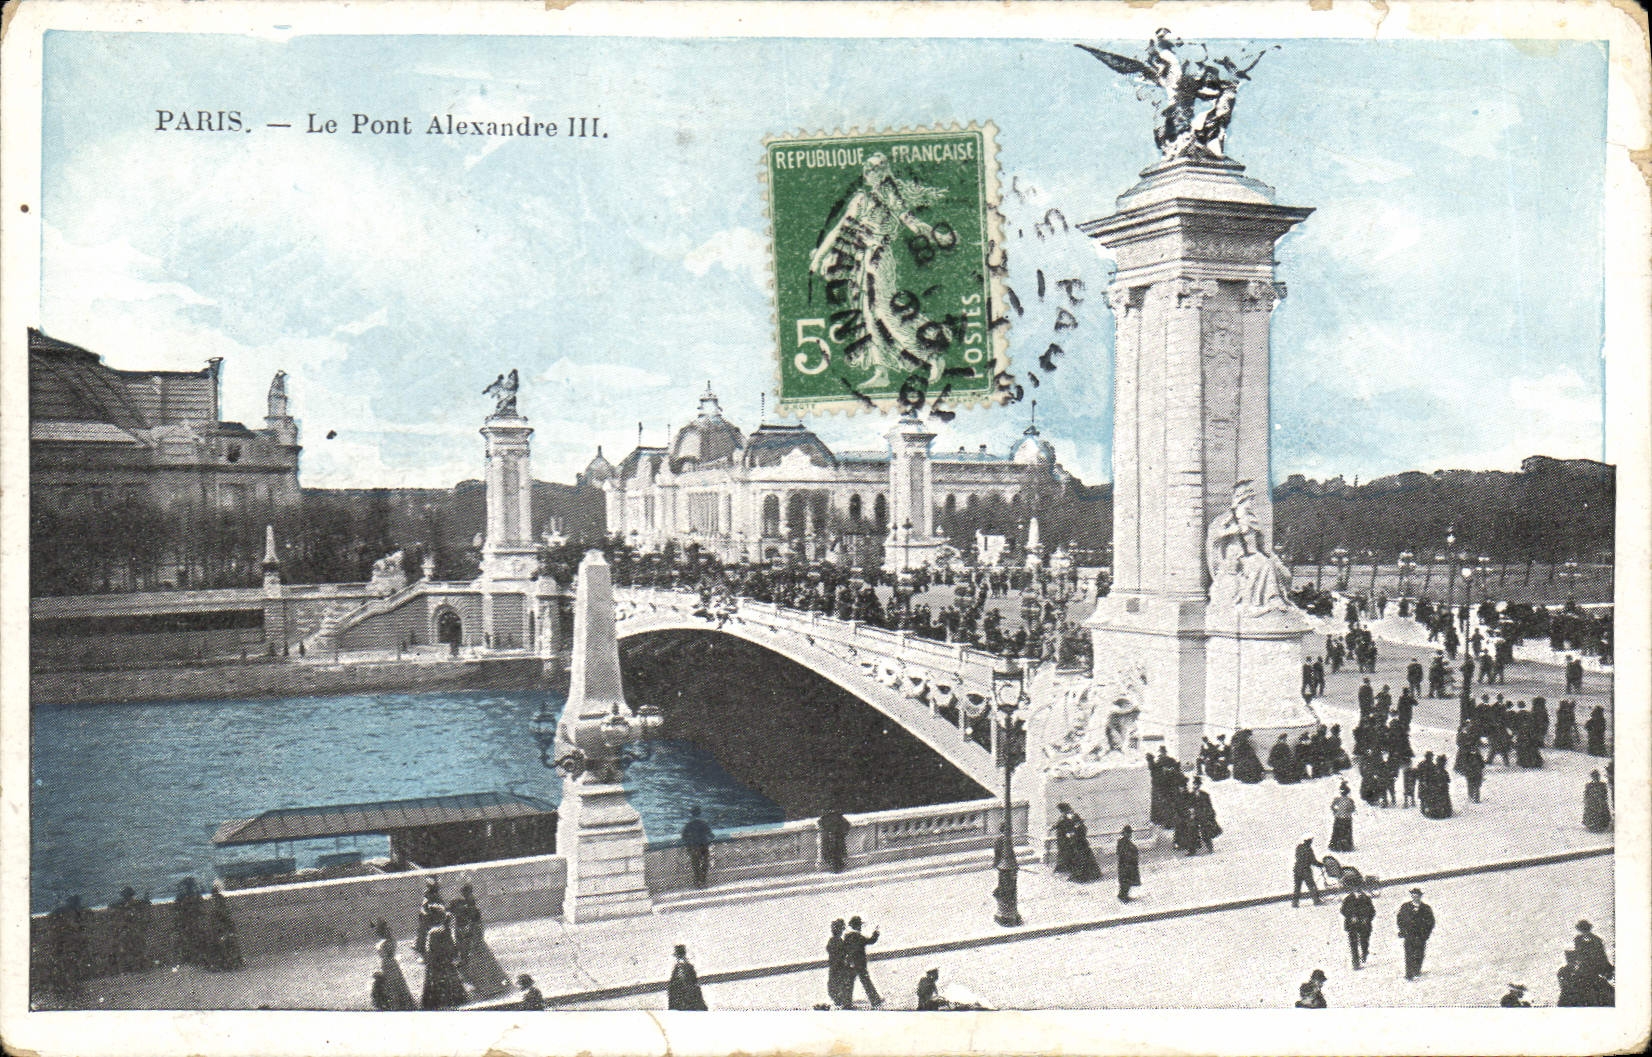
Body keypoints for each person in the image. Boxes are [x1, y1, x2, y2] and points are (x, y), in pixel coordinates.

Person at [419, 910, 469, 1009]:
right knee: (449, 978)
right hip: (444, 960)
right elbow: (451, 946)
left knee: (436, 980)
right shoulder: (445, 931)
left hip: (436, 960)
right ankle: (453, 998)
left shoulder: (433, 932)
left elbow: (430, 949)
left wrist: (428, 958)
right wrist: (454, 955)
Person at [1050, 803, 1102, 881]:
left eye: (1065, 811)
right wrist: (1054, 827)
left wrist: (1073, 833)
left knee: (1080, 858)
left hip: (1079, 842)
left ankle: (1082, 875)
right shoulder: (1063, 817)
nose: (1065, 813)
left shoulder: (1075, 817)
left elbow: (1082, 828)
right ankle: (1069, 870)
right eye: (1063, 812)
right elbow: (1061, 824)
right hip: (1071, 842)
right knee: (1071, 856)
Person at [371, 919, 415, 1010]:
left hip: (388, 963)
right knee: (396, 982)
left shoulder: (386, 943)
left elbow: (385, 953)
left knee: (391, 983)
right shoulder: (390, 941)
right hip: (391, 963)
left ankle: (394, 1003)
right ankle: (399, 1003)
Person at [842, 916, 883, 1008]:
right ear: (857, 926)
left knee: (849, 984)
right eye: (860, 925)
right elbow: (871, 941)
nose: (860, 927)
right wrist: (876, 933)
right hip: (860, 965)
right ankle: (875, 1001)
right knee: (866, 982)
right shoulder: (858, 937)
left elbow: (844, 950)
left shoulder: (847, 937)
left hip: (850, 964)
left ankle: (846, 1003)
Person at [1396, 888, 1436, 980]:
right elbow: (1400, 919)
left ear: (1420, 896)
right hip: (1409, 934)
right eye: (1413, 895)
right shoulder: (1405, 907)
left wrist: (1426, 934)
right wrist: (1402, 930)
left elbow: (1431, 922)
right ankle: (1409, 973)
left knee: (1419, 953)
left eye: (1417, 896)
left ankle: (1417, 970)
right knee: (1409, 953)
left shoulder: (1426, 908)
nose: (1415, 897)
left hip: (1421, 935)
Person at [1340, 884, 1375, 970]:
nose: (1358, 891)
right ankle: (1355, 962)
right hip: (1352, 925)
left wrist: (1366, 918)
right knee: (1353, 944)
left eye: (1359, 889)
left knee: (1364, 941)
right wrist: (1351, 916)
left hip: (1364, 925)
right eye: (1356, 889)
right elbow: (1343, 910)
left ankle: (1364, 952)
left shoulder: (1366, 899)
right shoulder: (1348, 899)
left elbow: (1372, 911)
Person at [681, 806, 714, 888]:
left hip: (694, 846)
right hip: (703, 846)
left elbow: (684, 836)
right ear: (700, 813)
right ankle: (703, 881)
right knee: (704, 864)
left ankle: (697, 882)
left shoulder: (688, 825)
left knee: (696, 864)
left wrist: (689, 844)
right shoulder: (703, 823)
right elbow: (711, 835)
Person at [667, 944, 708, 1010]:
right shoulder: (678, 968)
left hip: (687, 1000)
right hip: (682, 1000)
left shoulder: (685, 967)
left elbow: (693, 984)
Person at [825, 919, 851, 1008]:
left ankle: (838, 1000)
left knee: (834, 984)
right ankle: (840, 1000)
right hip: (838, 966)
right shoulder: (838, 941)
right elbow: (843, 952)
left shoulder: (833, 940)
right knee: (839, 983)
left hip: (834, 966)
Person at [1292, 835, 1321, 908]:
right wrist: (1320, 864)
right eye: (1311, 840)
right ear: (1309, 841)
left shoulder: (1299, 847)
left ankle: (1295, 903)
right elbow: (1313, 861)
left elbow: (1297, 857)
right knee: (1311, 886)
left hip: (1297, 869)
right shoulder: (1309, 849)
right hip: (1305, 870)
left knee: (1297, 887)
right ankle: (1316, 900)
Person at [1193, 779, 1221, 853]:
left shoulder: (1205, 795)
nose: (1195, 786)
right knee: (1193, 832)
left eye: (1197, 785)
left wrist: (1211, 814)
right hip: (1194, 816)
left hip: (1203, 816)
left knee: (1206, 832)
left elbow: (1209, 806)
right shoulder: (1190, 795)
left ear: (1199, 786)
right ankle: (1193, 849)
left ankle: (1210, 847)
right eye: (1194, 784)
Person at [1116, 825, 1141, 903]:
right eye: (1128, 833)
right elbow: (1120, 853)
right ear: (1124, 833)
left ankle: (1123, 895)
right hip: (1125, 865)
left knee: (1127, 881)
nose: (1129, 835)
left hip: (1129, 865)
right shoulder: (1122, 842)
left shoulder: (1126, 842)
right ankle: (1123, 896)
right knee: (1125, 881)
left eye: (1130, 833)